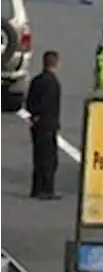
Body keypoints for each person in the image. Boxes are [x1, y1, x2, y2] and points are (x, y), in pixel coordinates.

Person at [24, 51, 61, 200]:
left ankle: (36, 188)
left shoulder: (36, 80)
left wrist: (33, 115)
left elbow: (29, 101)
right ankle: (47, 189)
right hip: (48, 124)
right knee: (49, 159)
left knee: (38, 157)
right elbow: (48, 104)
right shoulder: (53, 83)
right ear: (56, 63)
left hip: (36, 125)